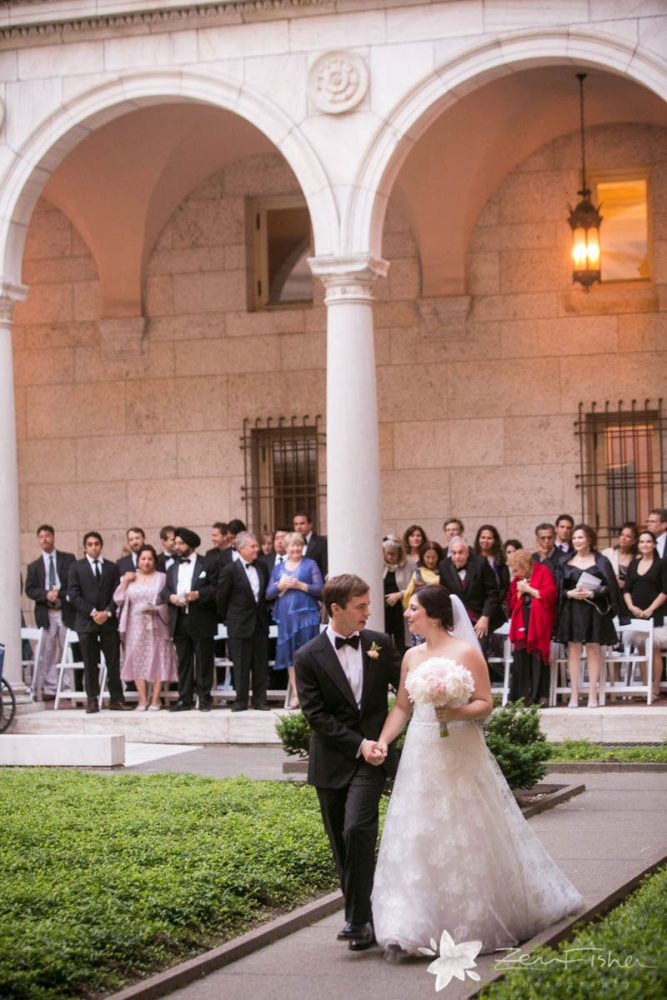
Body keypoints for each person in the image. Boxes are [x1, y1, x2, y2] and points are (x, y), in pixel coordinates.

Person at [371, 585, 582, 961]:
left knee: (465, 826)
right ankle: (410, 922)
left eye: (413, 608)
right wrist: (384, 741)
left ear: (434, 614)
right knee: (418, 829)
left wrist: (454, 713)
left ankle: (474, 918)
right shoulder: (411, 656)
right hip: (421, 750)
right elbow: (402, 708)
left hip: (460, 750)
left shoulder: (465, 652)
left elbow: (485, 704)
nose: (407, 614)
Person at [294, 574, 402, 952]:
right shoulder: (307, 656)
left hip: (373, 760)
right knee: (342, 846)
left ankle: (356, 922)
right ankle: (366, 916)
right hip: (332, 762)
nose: (367, 612)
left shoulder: (380, 644)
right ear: (335, 609)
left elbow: (405, 692)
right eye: (360, 607)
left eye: (368, 605)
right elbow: (317, 716)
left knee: (357, 828)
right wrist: (359, 744)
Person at [556, 523, 620, 708]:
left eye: (581, 537)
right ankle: (574, 694)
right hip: (572, 610)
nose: (577, 540)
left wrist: (594, 593)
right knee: (573, 650)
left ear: (589, 539)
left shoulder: (601, 561)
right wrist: (569, 594)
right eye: (574, 537)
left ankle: (592, 694)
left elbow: (611, 588)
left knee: (593, 649)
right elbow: (556, 589)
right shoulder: (564, 562)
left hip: (593, 610)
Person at [67, 531, 131, 713]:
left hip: (108, 623)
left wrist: (108, 612)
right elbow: (74, 594)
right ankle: (93, 700)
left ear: (101, 545)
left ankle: (117, 699)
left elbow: (117, 593)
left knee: (112, 661)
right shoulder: (76, 567)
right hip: (87, 623)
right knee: (90, 663)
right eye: (90, 544)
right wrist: (93, 612)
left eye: (96, 544)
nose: (93, 547)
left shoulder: (112, 567)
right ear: (85, 547)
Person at [113, 544, 177, 711]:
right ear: (138, 561)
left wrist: (158, 610)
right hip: (135, 624)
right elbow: (118, 599)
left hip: (156, 622)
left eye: (149, 559)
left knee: (158, 657)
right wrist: (125, 581)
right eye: (143, 559)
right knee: (136, 658)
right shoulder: (130, 577)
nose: (146, 562)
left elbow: (167, 599)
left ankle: (156, 699)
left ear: (155, 561)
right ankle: (142, 699)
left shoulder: (162, 577)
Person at [163, 527, 218, 712]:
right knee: (184, 661)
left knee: (203, 660)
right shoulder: (172, 568)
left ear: (190, 545)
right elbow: (165, 590)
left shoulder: (207, 564)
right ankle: (184, 698)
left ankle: (204, 698)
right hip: (180, 619)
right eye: (175, 543)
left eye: (180, 543)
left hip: (201, 618)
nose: (177, 546)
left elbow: (216, 589)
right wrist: (170, 598)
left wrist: (198, 595)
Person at [266, 531, 323, 709]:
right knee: (292, 657)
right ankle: (297, 695)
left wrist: (300, 585)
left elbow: (320, 589)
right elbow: (268, 594)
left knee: (308, 654)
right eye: (292, 545)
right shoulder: (278, 568)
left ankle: (311, 695)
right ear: (286, 547)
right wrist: (279, 586)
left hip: (307, 616)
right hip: (287, 619)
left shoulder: (310, 564)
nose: (296, 548)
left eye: (299, 545)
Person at [216, 531, 271, 712]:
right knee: (240, 664)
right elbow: (221, 598)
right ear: (242, 548)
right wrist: (231, 619)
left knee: (260, 664)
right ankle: (240, 701)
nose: (257, 549)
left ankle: (260, 700)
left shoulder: (262, 566)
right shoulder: (230, 570)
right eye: (253, 546)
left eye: (257, 546)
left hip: (260, 623)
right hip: (239, 624)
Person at [24, 524, 76, 701]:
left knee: (67, 649)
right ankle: (51, 688)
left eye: (47, 536)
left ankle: (69, 688)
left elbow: (73, 583)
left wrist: (59, 594)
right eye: (41, 537)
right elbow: (30, 590)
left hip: (65, 610)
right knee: (48, 650)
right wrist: (46, 595)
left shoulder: (68, 559)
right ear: (38, 540)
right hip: (46, 612)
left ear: (53, 537)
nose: (45, 539)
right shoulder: (34, 566)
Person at [506, 549, 557, 705]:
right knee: (520, 658)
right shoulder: (517, 580)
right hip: (522, 622)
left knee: (538, 657)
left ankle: (539, 696)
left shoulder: (543, 572)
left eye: (516, 570)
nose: (514, 574)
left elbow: (550, 595)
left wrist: (529, 590)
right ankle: (519, 697)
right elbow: (511, 602)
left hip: (539, 623)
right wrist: (519, 594)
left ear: (525, 566)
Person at [438, 538, 503, 660]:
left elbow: (493, 593)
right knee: (456, 654)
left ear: (468, 552)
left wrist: (485, 617)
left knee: (477, 654)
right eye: (454, 553)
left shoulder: (481, 563)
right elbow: (444, 594)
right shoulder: (444, 566)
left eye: (461, 552)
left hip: (481, 617)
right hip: (457, 619)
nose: (457, 556)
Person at [624, 530, 667, 701]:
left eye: (648, 542)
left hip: (655, 612)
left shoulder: (661, 564)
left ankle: (655, 689)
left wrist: (650, 609)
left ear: (654, 545)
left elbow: (665, 590)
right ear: (638, 545)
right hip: (636, 612)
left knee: (654, 649)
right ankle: (644, 687)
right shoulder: (633, 564)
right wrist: (631, 607)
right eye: (642, 542)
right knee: (641, 648)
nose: (645, 545)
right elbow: (626, 589)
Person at [381, 536, 415, 653]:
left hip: (401, 608)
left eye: (393, 554)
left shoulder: (410, 564)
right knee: (383, 640)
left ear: (399, 553)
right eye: (388, 554)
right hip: (383, 609)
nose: (390, 557)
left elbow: (414, 586)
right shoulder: (379, 564)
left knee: (401, 642)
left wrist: (399, 595)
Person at [473, 524, 510, 607]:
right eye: (483, 537)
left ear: (495, 540)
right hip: (476, 605)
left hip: (497, 604)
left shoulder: (500, 559)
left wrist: (495, 602)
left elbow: (504, 586)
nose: (485, 541)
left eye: (489, 538)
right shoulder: (471, 558)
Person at [402, 540, 443, 607]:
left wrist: (427, 585)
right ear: (422, 557)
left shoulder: (445, 572)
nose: (430, 561)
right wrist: (416, 589)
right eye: (427, 557)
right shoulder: (418, 573)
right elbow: (408, 598)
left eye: (434, 557)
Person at [601, 521, 638, 589]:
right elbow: (600, 575)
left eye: (628, 536)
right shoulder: (607, 553)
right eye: (622, 535)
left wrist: (626, 584)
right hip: (610, 593)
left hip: (628, 593)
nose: (623, 538)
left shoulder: (637, 557)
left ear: (634, 541)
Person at [293, 511, 328, 578]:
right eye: (296, 524)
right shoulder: (291, 542)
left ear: (310, 525)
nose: (299, 527)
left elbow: (324, 567)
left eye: (302, 523)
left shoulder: (321, 542)